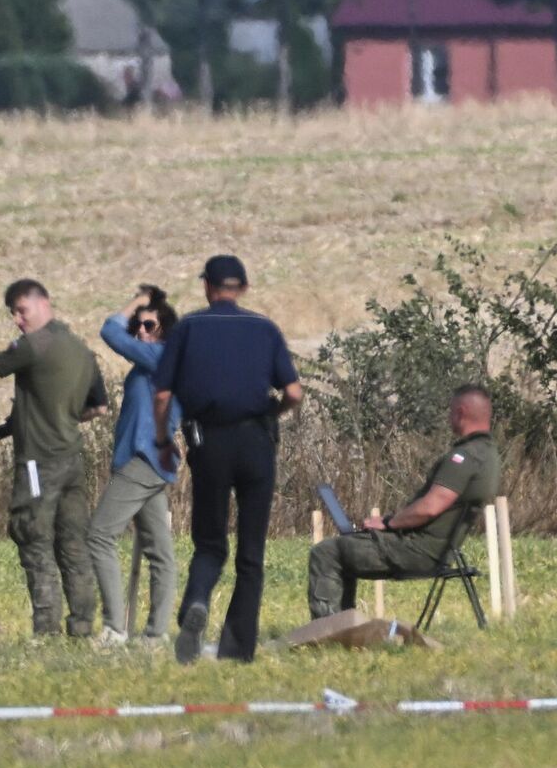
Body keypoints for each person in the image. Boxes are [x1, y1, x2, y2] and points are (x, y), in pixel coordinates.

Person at [0, 279, 106, 637]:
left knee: (33, 536)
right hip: (72, 459)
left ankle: (47, 629)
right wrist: (51, 418)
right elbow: (97, 407)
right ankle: (83, 624)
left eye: (21, 310)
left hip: (38, 462)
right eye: (13, 313)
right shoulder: (81, 349)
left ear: (44, 303)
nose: (17, 320)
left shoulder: (34, 345)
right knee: (73, 542)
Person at [150, 255, 302, 664]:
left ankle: (197, 602)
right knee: (251, 553)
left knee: (210, 542)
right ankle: (236, 650)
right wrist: (271, 414)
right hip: (256, 443)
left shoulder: (188, 329)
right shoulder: (265, 329)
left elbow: (162, 395)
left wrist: (164, 439)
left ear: (207, 286)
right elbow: (294, 392)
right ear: (243, 288)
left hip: (209, 442)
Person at [308, 385, 501, 619]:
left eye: (451, 412)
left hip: (418, 550)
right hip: (441, 550)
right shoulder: (488, 455)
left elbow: (430, 508)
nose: (449, 417)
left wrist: (388, 523)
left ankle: (327, 631)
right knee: (346, 546)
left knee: (326, 552)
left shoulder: (463, 457)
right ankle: (345, 627)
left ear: (461, 412)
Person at [85, 286, 183, 644]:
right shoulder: (156, 361)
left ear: (164, 330)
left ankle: (114, 629)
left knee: (99, 535)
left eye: (150, 325)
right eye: (138, 326)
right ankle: (155, 635)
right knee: (160, 552)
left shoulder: (161, 356)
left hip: (142, 460)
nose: (141, 331)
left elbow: (110, 331)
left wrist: (136, 302)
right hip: (151, 462)